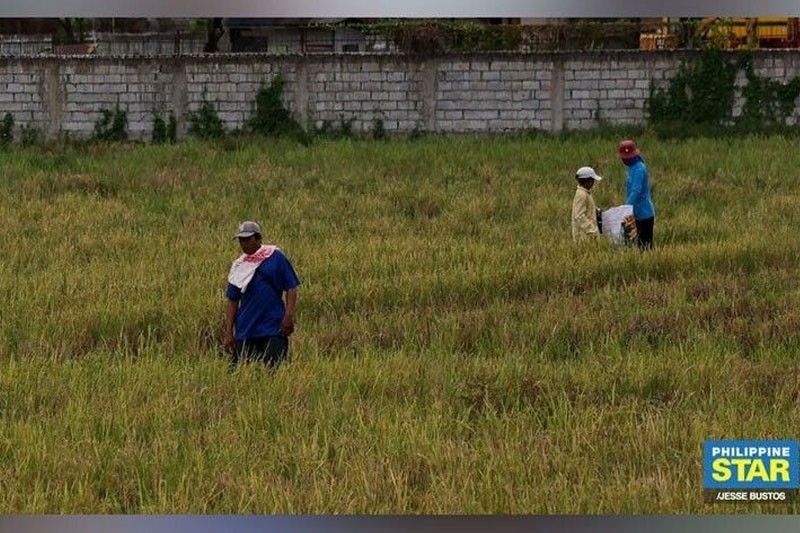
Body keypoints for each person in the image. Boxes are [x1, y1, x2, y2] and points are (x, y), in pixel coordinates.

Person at [224, 221, 300, 368]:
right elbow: (232, 300)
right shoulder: (239, 266)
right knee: (237, 375)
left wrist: (288, 317)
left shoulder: (275, 257)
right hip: (246, 329)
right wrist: (229, 332)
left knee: (273, 372)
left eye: (248, 239)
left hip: (272, 328)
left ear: (258, 239)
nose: (244, 244)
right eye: (241, 240)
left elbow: (291, 287)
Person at [618, 140, 656, 250]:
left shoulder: (639, 168)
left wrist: (625, 207)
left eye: (626, 158)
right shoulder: (631, 168)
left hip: (644, 213)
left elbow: (636, 190)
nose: (624, 160)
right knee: (638, 245)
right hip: (636, 213)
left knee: (645, 245)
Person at [571, 166, 604, 242]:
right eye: (592, 181)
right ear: (587, 181)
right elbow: (579, 216)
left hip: (588, 234)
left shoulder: (586, 193)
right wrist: (591, 229)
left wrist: (597, 211)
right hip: (584, 235)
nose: (593, 183)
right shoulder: (582, 195)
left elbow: (588, 207)